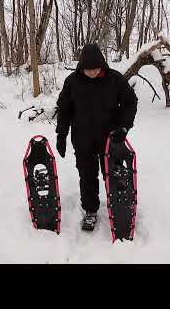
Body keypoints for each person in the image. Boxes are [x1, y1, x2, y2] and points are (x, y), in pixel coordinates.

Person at [55, 43, 138, 231]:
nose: (92, 73)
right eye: (88, 70)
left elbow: (130, 102)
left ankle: (119, 208)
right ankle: (90, 211)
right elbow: (65, 110)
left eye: (95, 69)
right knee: (87, 176)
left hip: (111, 140)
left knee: (115, 176)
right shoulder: (72, 82)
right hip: (83, 139)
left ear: (102, 65)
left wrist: (124, 126)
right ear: (82, 67)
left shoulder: (115, 80)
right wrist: (61, 134)